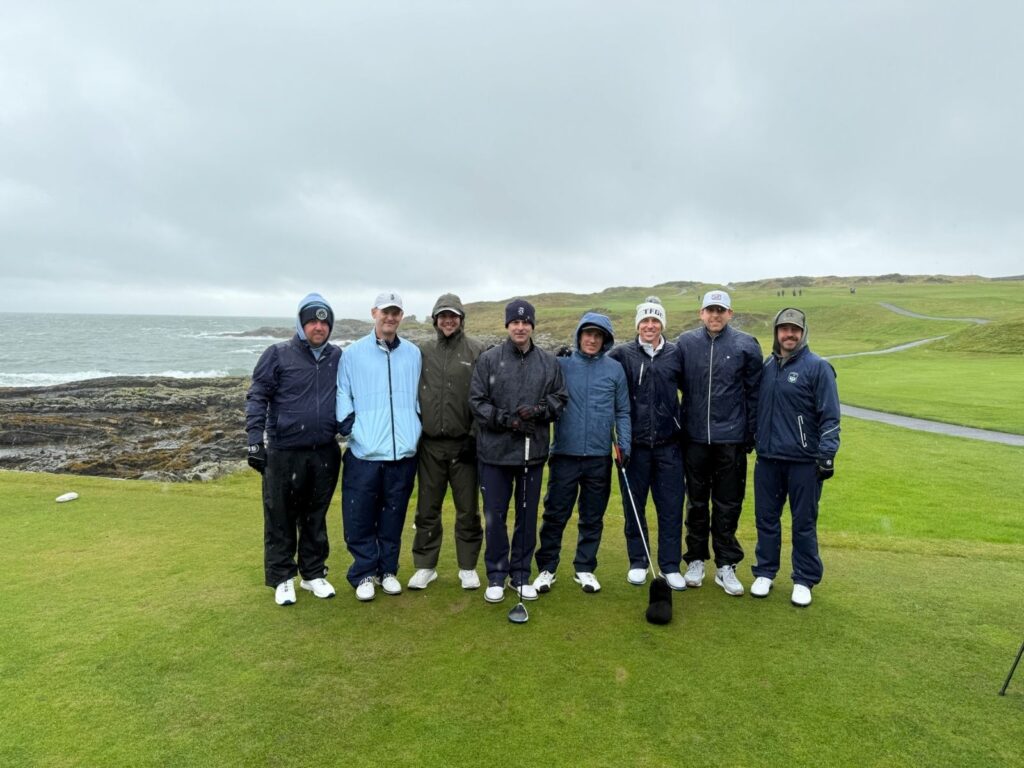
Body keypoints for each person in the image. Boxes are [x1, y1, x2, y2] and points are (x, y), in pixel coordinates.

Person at [245, 293, 341, 606]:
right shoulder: (278, 354)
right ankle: (283, 578)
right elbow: (258, 395)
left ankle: (312, 573)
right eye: (312, 321)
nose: (318, 327)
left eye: (324, 321)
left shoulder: (337, 356)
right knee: (280, 516)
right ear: (301, 324)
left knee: (315, 516)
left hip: (323, 450)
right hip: (284, 451)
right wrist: (254, 439)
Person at [469, 299, 567, 604]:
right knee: (495, 516)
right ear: (508, 325)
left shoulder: (549, 362)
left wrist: (539, 411)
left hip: (532, 453)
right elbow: (477, 402)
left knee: (527, 515)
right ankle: (496, 575)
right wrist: (506, 419)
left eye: (526, 323)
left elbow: (560, 399)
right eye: (515, 323)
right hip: (495, 453)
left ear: (532, 325)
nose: (520, 327)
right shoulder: (488, 359)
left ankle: (520, 575)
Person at [532, 312, 630, 595]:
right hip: (565, 453)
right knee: (555, 514)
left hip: (599, 456)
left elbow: (622, 411)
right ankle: (546, 569)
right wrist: (554, 356)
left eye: (598, 336)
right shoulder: (561, 365)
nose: (592, 339)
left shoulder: (614, 370)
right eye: (588, 334)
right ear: (579, 336)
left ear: (605, 340)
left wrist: (624, 445)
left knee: (592, 515)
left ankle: (585, 568)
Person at [336, 291, 422, 601]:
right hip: (365, 451)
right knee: (359, 516)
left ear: (401, 316)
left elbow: (418, 396)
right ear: (374, 313)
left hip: (403, 453)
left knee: (393, 515)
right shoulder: (353, 353)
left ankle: (387, 571)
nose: (390, 317)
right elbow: (342, 394)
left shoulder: (413, 353)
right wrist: (353, 429)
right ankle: (363, 573)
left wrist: (416, 425)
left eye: (396, 312)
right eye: (385, 311)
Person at [751, 308, 840, 607]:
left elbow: (830, 416)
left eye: (795, 330)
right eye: (784, 329)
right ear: (776, 333)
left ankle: (804, 579)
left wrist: (827, 454)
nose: (790, 334)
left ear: (803, 333)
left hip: (804, 461)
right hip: (768, 459)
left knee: (803, 522)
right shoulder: (767, 367)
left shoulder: (818, 368)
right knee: (766, 519)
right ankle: (765, 572)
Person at [676, 290, 763, 596]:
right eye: (709, 310)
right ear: (701, 313)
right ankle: (696, 559)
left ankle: (726, 564)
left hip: (732, 439)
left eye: (720, 310)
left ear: (730, 313)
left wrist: (750, 434)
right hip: (695, 437)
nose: (715, 315)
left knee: (728, 504)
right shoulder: (686, 344)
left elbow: (755, 394)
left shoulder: (746, 344)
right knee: (697, 503)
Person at [407, 293, 486, 592]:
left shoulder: (476, 349)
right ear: (435, 320)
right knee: (428, 509)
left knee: (468, 509)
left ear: (461, 319)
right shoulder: (422, 351)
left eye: (453, 315)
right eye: (442, 316)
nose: (448, 320)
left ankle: (467, 567)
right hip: (429, 445)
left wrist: (474, 435)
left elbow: (484, 397)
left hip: (464, 445)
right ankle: (426, 566)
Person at [608, 297, 687, 590]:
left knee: (671, 507)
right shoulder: (622, 355)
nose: (650, 326)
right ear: (638, 324)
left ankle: (669, 565)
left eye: (655, 321)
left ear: (662, 324)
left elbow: (690, 391)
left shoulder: (676, 354)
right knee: (633, 506)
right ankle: (638, 561)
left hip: (669, 445)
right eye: (645, 321)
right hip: (634, 446)